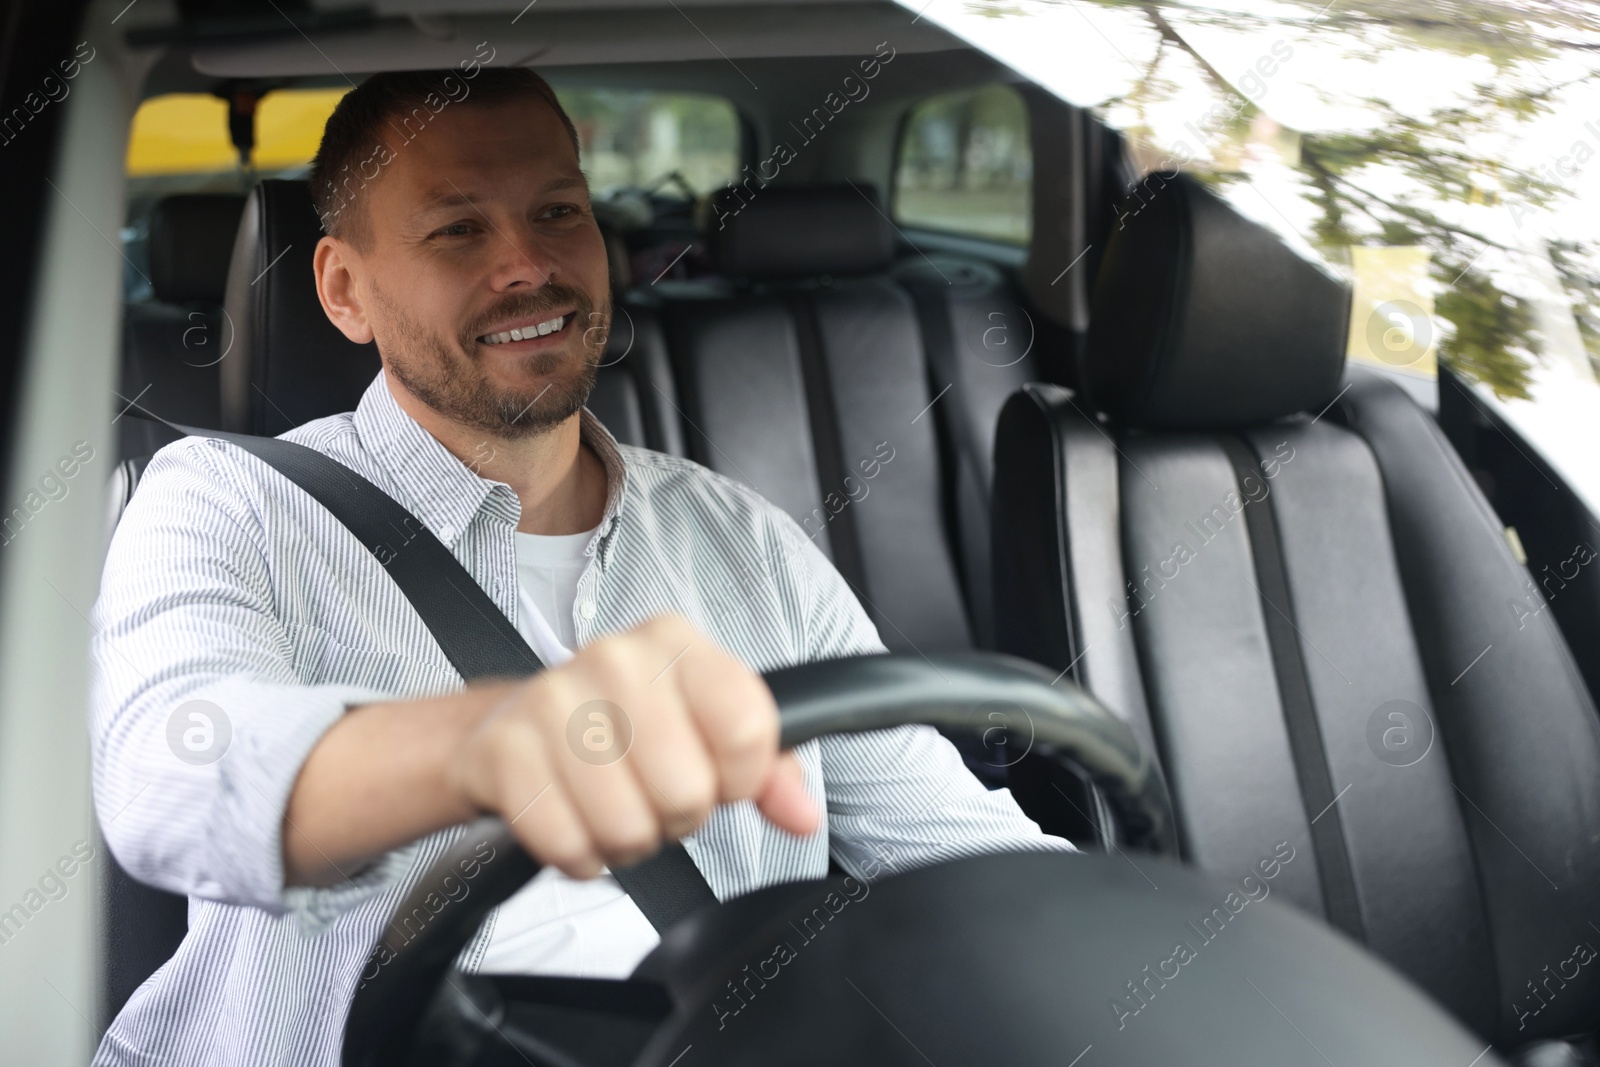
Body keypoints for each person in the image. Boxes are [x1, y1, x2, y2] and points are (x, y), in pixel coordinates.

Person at [89, 67, 1071, 1066]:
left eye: (558, 210)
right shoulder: (223, 499)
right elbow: (170, 769)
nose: (527, 264)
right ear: (345, 290)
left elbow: (962, 854)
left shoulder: (742, 538)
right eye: (457, 228)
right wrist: (487, 741)